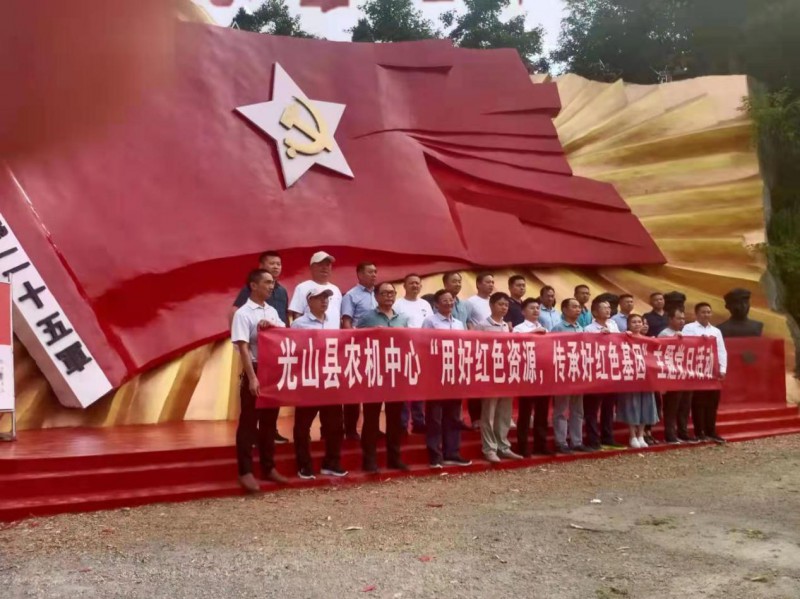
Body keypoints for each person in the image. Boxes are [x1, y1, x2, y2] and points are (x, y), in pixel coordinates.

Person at [231, 269, 288, 492]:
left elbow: (284, 333)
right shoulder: (243, 313)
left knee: (269, 422)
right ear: (253, 286)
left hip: (272, 370)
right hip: (254, 368)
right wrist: (252, 378)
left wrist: (271, 326)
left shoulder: (272, 311)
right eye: (266, 282)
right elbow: (243, 348)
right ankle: (245, 471)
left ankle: (268, 466)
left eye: (272, 283)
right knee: (248, 421)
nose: (271, 286)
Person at [230, 250, 290, 444]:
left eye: (279, 264)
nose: (276, 267)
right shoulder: (245, 307)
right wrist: (252, 377)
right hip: (255, 364)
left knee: (270, 415)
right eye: (272, 263)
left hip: (274, 364)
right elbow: (242, 343)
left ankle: (269, 444)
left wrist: (273, 327)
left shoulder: (277, 300)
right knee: (250, 416)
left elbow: (284, 327)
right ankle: (247, 453)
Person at [290, 287, 348, 480]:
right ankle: (304, 465)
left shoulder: (333, 321)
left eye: (326, 298)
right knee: (302, 426)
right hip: (308, 381)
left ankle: (331, 463)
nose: (324, 301)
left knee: (335, 425)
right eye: (319, 298)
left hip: (330, 380)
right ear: (309, 302)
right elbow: (292, 350)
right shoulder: (299, 324)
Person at [356, 282, 410, 473]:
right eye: (384, 293)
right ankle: (369, 461)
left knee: (395, 419)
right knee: (371, 419)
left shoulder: (402, 319)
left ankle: (394, 458)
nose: (389, 296)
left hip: (395, 374)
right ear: (376, 296)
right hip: (374, 374)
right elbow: (356, 340)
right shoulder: (367, 318)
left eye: (392, 293)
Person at [421, 289, 472, 468]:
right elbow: (424, 345)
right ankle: (435, 455)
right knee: (435, 417)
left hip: (455, 373)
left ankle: (452, 453)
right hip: (436, 374)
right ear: (436, 304)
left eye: (451, 300)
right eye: (445, 300)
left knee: (453, 415)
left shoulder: (458, 323)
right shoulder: (430, 321)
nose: (449, 303)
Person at [475, 292, 521, 462]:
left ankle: (503, 446)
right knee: (489, 413)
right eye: (500, 304)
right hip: (489, 374)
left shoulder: (507, 326)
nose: (504, 308)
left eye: (506, 305)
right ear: (491, 305)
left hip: (506, 374)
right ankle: (489, 448)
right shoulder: (482, 326)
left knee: (504, 413)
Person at [341, 262, 379, 440]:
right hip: (358, 347)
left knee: (374, 389)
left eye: (375, 272)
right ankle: (350, 429)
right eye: (370, 272)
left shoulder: (379, 294)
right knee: (354, 390)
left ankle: (373, 427)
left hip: (377, 349)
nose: (374, 275)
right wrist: (352, 344)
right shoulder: (351, 295)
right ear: (359, 274)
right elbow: (347, 321)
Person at [683, 302, 728, 444]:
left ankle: (711, 431)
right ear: (696, 314)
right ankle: (700, 432)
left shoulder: (716, 331)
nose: (706, 314)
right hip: (697, 371)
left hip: (713, 371)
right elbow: (685, 346)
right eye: (703, 312)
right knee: (698, 402)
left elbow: (721, 350)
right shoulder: (689, 328)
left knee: (712, 403)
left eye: (708, 312)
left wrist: (722, 369)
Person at [583, 299, 625, 450]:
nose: (608, 310)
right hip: (596, 372)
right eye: (604, 308)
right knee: (592, 409)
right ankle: (593, 439)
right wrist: (599, 337)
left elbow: (620, 344)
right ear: (595, 312)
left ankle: (608, 437)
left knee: (609, 407)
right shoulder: (589, 329)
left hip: (612, 371)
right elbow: (586, 348)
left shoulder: (613, 325)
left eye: (609, 307)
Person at [551, 298, 590, 453]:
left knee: (578, 410)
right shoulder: (558, 328)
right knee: (561, 409)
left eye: (579, 307)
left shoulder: (581, 329)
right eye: (574, 307)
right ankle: (561, 442)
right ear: (564, 310)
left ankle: (577, 441)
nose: (578, 309)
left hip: (579, 373)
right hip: (563, 373)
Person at [394, 273, 431, 434]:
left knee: (419, 387)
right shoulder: (398, 304)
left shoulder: (425, 304)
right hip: (404, 351)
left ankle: (419, 421)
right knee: (403, 389)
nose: (415, 286)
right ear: (404, 286)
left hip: (422, 351)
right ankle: (402, 423)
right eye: (411, 283)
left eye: (417, 283)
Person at [513, 298, 550, 456]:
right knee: (525, 413)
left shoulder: (545, 329)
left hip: (543, 375)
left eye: (537, 308)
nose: (536, 310)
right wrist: (532, 334)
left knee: (542, 412)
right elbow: (515, 345)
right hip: (526, 375)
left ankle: (540, 445)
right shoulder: (519, 328)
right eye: (532, 308)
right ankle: (523, 446)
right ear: (523, 311)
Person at [617, 314, 659, 448]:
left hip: (646, 378)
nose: (637, 324)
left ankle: (641, 435)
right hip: (631, 378)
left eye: (639, 322)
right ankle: (632, 435)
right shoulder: (624, 338)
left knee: (645, 405)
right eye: (633, 322)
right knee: (632, 405)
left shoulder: (648, 340)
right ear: (628, 325)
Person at [658, 307, 698, 444]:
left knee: (685, 406)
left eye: (683, 318)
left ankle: (683, 432)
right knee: (672, 407)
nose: (682, 321)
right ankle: (670, 434)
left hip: (685, 375)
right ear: (670, 319)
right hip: (672, 376)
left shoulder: (686, 333)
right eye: (678, 318)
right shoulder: (664, 334)